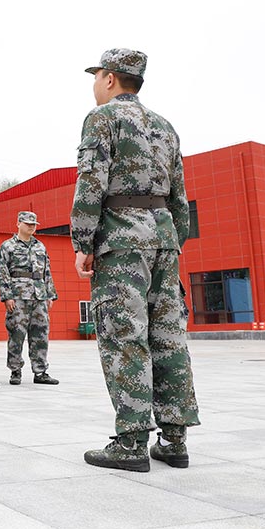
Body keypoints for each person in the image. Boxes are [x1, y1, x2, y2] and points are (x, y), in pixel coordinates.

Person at [74, 50, 199, 472]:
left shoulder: (103, 118)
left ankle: (130, 443)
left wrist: (82, 241)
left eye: (96, 77)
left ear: (110, 78)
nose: (95, 85)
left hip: (122, 242)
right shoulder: (165, 126)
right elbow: (180, 196)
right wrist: (172, 242)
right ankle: (174, 440)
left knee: (124, 336)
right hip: (164, 240)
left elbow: (91, 182)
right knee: (168, 338)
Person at [0, 209, 58, 385]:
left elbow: (46, 271)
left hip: (39, 296)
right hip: (18, 296)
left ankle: (40, 372)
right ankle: (15, 370)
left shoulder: (40, 246)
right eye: (28, 224)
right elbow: (3, 273)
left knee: (40, 334)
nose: (31, 227)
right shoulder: (8, 246)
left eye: (34, 224)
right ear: (18, 224)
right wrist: (7, 296)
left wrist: (50, 294)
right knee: (16, 333)